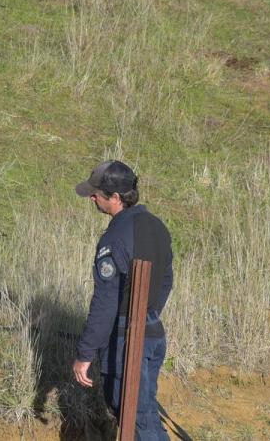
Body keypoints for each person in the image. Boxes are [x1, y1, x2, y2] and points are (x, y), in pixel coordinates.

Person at [72, 160, 173, 440]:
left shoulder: (114, 237)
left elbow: (106, 301)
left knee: (136, 418)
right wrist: (148, 315)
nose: (92, 197)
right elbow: (166, 281)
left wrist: (85, 353)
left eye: (97, 193)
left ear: (115, 198)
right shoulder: (157, 227)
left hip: (128, 340)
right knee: (145, 414)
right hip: (153, 333)